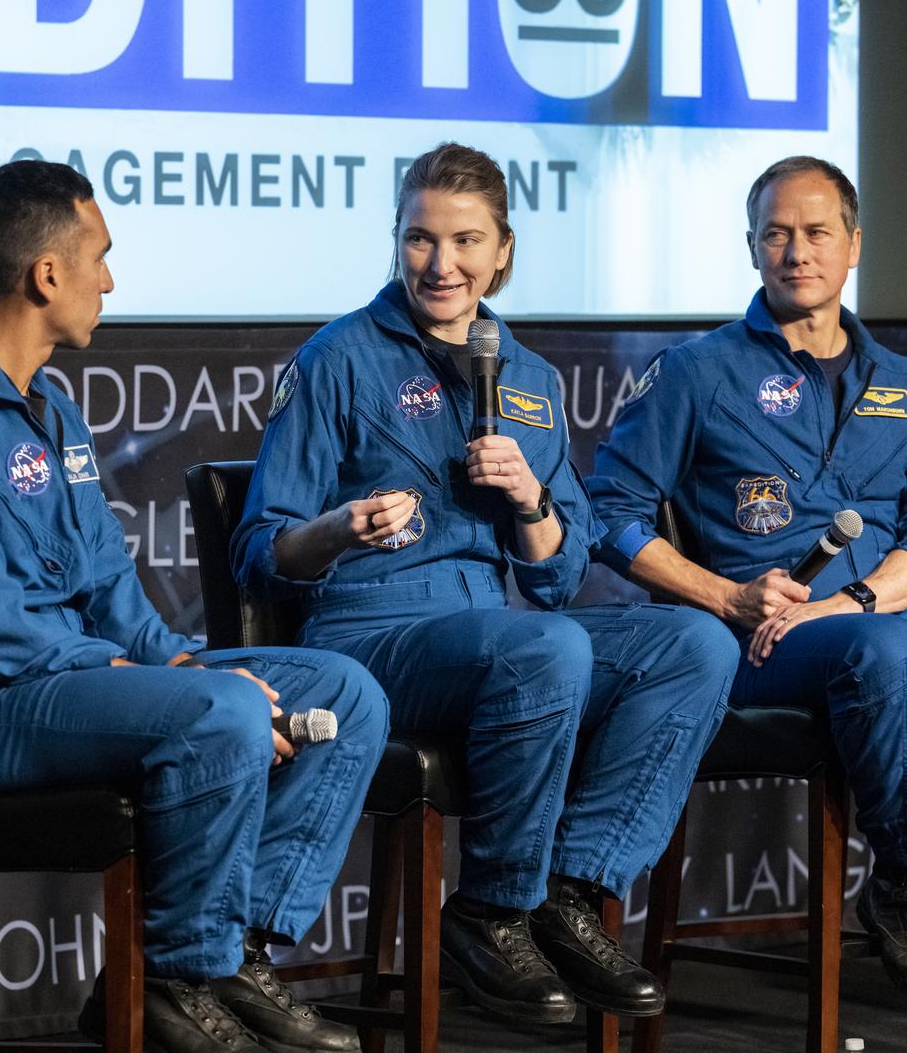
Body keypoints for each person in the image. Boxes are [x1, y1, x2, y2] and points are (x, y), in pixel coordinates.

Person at [233, 143, 738, 1025]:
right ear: (396, 241)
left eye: (465, 241)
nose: (442, 263)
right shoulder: (339, 358)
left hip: (498, 634)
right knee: (543, 649)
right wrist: (336, 527)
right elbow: (259, 548)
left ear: (503, 250)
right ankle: (491, 907)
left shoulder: (529, 382)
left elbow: (558, 578)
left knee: (692, 640)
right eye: (420, 239)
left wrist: (532, 499)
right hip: (370, 635)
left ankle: (568, 893)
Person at [0, 160, 389, 1053]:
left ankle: (236, 956)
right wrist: (121, 671)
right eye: (99, 257)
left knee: (345, 693)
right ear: (46, 274)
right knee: (220, 710)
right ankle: (180, 974)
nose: (109, 279)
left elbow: (110, 582)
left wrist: (170, 659)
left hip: (74, 679)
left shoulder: (56, 406)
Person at [587, 155, 907, 990]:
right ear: (753, 248)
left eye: (817, 232)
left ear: (855, 244)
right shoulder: (699, 372)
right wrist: (725, 594)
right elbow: (606, 514)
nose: (796, 251)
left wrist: (852, 599)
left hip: (872, 621)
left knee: (884, 645)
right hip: (757, 650)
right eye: (776, 233)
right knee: (883, 655)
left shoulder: (902, 386)